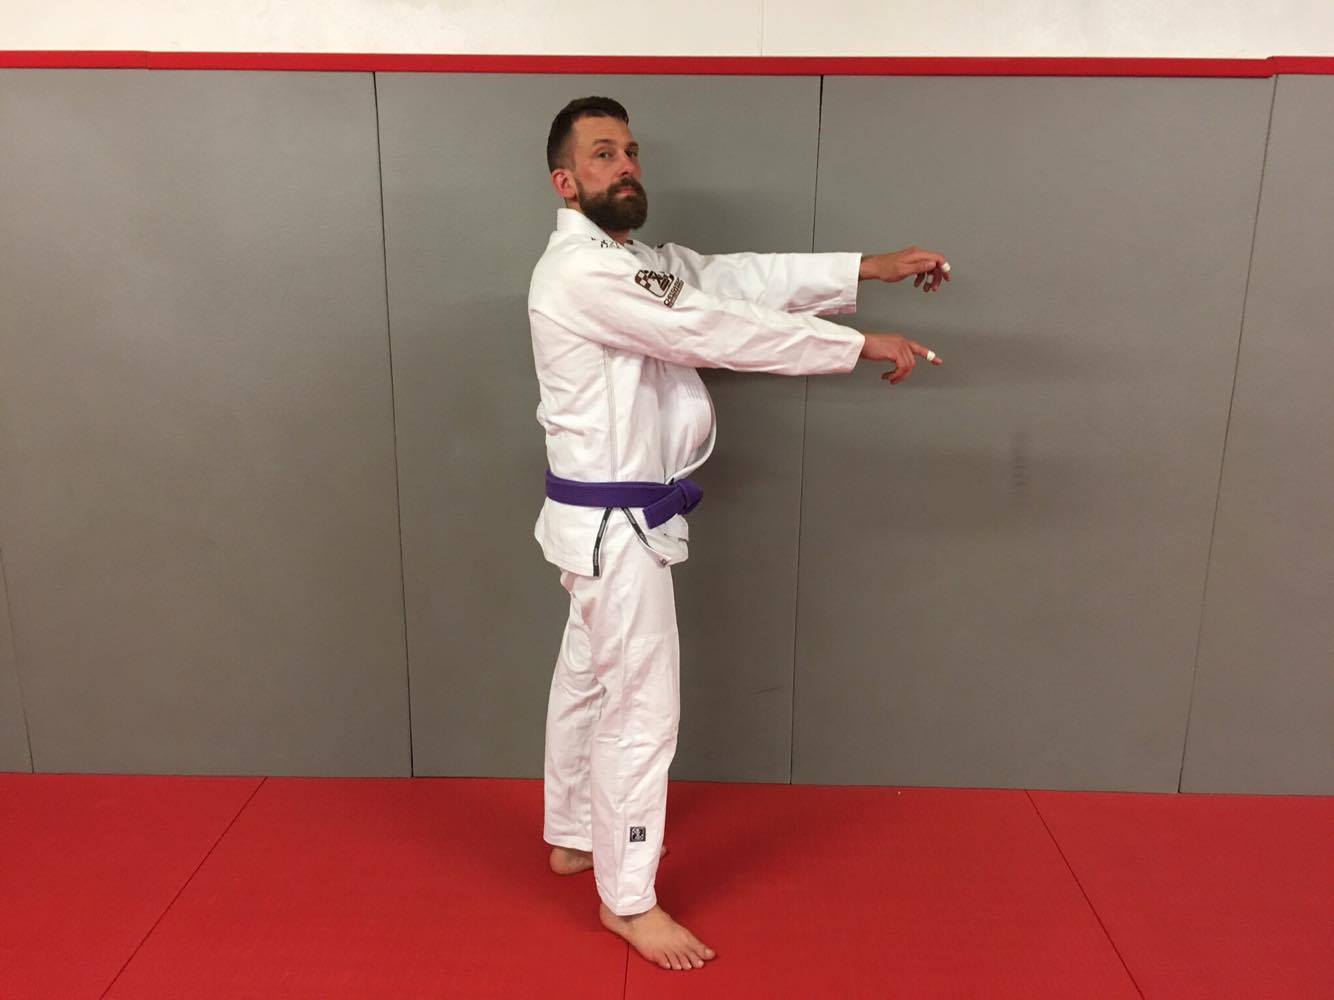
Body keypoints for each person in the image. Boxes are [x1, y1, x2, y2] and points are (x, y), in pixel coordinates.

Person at [528, 96, 949, 973]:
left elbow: (735, 281)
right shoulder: (583, 273)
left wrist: (866, 268)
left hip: (603, 523)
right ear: (566, 182)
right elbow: (709, 326)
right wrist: (855, 346)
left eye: (631, 150)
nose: (626, 165)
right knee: (640, 709)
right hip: (615, 527)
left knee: (588, 678)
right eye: (603, 154)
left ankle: (572, 834)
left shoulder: (637, 260)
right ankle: (627, 898)